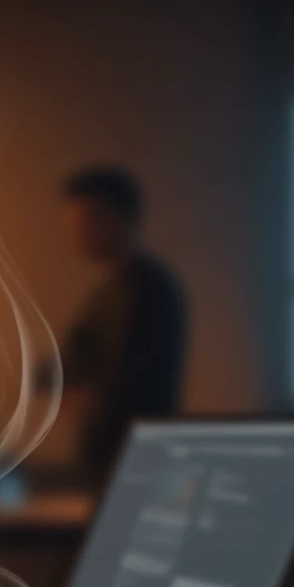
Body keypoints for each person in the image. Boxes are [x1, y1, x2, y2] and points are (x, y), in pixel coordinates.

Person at [59, 166, 187, 482]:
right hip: (111, 458)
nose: (76, 233)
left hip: (130, 461)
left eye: (84, 221)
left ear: (114, 218)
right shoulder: (110, 291)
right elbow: (77, 359)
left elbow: (128, 386)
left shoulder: (145, 289)